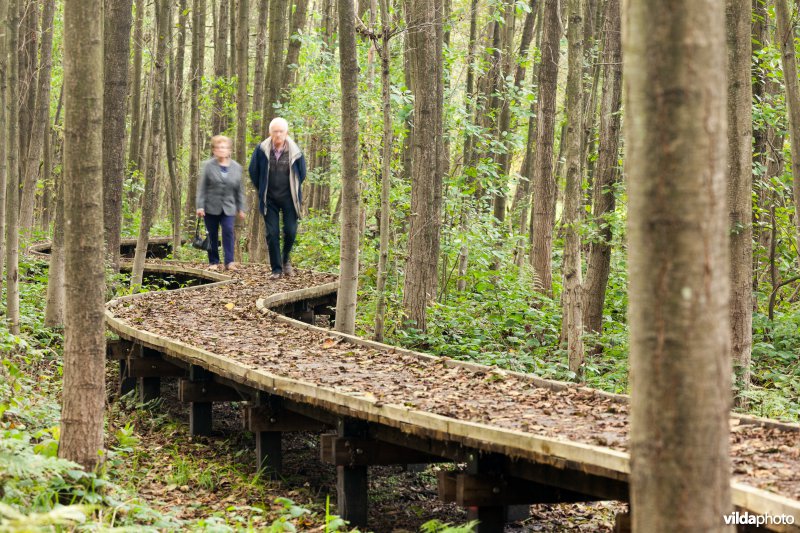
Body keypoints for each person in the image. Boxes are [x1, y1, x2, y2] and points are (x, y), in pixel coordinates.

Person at [248, 117, 307, 280]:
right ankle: (276, 269)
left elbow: (302, 173)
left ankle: (285, 258)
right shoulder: (261, 150)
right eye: (275, 131)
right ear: (270, 133)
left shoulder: (296, 151)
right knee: (272, 233)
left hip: (290, 199)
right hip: (270, 199)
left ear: (286, 132)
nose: (278, 134)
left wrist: (292, 189)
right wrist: (262, 189)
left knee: (290, 231)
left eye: (281, 131)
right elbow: (253, 171)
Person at [196, 135, 246, 271]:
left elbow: (239, 190)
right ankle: (213, 262)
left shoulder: (237, 167)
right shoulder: (208, 166)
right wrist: (200, 206)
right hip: (210, 206)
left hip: (229, 207)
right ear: (214, 150)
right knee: (211, 234)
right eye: (218, 147)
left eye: (224, 147)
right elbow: (202, 188)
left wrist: (241, 208)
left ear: (229, 150)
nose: (221, 150)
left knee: (228, 231)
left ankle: (229, 262)